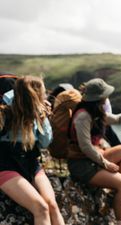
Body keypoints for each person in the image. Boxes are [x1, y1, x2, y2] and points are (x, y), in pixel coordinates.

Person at [0, 75, 65, 225]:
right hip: (6, 164)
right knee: (40, 207)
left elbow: (44, 143)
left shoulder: (37, 112)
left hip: (30, 163)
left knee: (52, 205)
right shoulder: (4, 111)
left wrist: (43, 119)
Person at [67, 78, 121, 225]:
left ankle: (113, 191)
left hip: (93, 157)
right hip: (81, 164)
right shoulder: (83, 116)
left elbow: (114, 119)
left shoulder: (95, 111)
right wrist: (106, 164)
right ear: (99, 98)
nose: (107, 97)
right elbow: (85, 147)